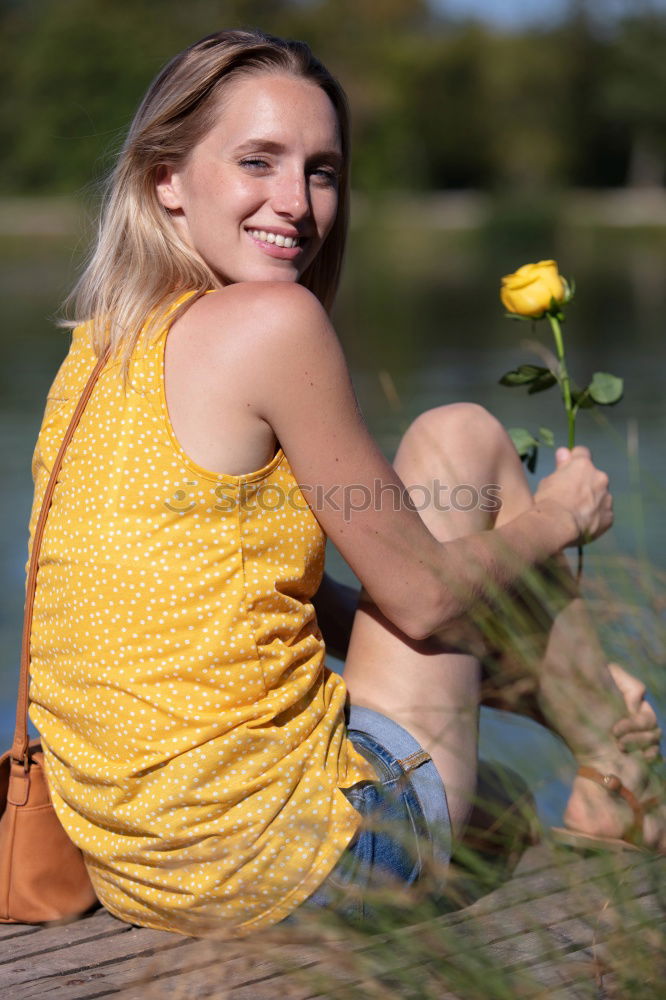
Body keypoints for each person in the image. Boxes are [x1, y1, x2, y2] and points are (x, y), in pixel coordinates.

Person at [25, 29, 663, 939]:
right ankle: (619, 764)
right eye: (259, 161)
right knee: (461, 439)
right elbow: (426, 600)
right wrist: (559, 516)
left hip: (145, 875)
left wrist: (497, 684)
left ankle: (586, 728)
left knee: (505, 803)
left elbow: (247, 594)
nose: (296, 203)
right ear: (166, 176)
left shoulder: (95, 352)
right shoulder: (274, 322)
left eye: (322, 171)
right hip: (307, 868)